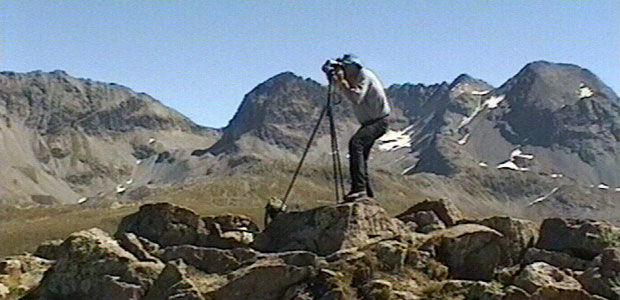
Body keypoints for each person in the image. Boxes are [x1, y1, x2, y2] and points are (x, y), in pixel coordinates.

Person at [322, 54, 391, 201]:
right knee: (361, 156)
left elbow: (356, 98)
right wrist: (337, 81)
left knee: (356, 144)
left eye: (345, 66)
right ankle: (367, 194)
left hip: (378, 121)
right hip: (370, 122)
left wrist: (341, 82)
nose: (344, 69)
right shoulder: (353, 77)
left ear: (354, 66)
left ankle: (359, 189)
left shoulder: (364, 76)